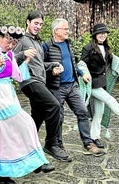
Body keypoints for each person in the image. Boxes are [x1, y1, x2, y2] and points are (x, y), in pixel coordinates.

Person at [0, 25, 55, 184]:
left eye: (14, 42)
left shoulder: (9, 55)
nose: (11, 45)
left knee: (4, 137)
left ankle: (3, 174)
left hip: (8, 94)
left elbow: (19, 76)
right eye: (9, 40)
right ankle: (37, 161)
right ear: (0, 37)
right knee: (26, 123)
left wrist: (25, 61)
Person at [43, 18, 105, 158]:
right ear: (56, 30)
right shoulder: (46, 46)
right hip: (56, 87)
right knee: (58, 117)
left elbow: (72, 62)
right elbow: (41, 64)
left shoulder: (68, 43)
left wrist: (82, 73)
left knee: (83, 112)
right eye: (65, 29)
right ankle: (57, 146)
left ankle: (88, 143)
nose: (67, 31)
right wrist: (51, 70)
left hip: (72, 85)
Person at [13, 11, 70, 162]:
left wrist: (52, 65)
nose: (38, 26)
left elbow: (39, 64)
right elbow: (10, 59)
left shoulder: (38, 42)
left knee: (37, 117)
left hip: (39, 80)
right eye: (35, 23)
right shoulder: (21, 40)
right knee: (54, 106)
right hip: (30, 81)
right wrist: (23, 53)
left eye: (40, 24)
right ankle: (51, 144)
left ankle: (24, 147)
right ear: (28, 22)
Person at [80, 23, 119, 147]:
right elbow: (81, 64)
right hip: (91, 85)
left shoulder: (106, 48)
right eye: (100, 33)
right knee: (112, 101)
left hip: (101, 84)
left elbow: (116, 61)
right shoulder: (88, 48)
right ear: (95, 35)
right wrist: (83, 74)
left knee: (99, 112)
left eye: (105, 33)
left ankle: (94, 137)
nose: (103, 35)